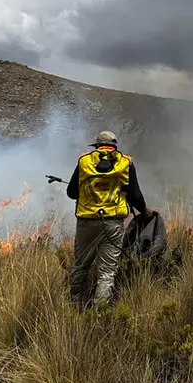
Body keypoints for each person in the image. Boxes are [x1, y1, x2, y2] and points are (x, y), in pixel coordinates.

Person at [65, 131, 152, 308]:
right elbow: (135, 196)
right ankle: (99, 315)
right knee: (107, 272)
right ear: (114, 146)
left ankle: (74, 308)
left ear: (97, 146)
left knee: (81, 266)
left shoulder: (84, 162)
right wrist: (144, 211)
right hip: (113, 224)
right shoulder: (125, 163)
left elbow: (71, 192)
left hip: (86, 223)